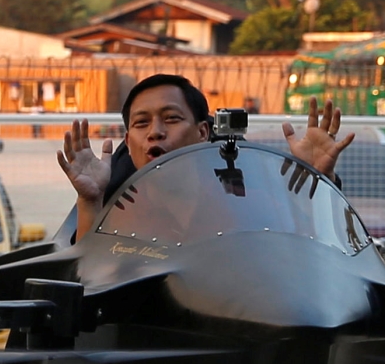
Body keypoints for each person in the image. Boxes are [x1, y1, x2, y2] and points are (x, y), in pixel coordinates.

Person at [57, 73, 354, 240]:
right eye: (141, 123)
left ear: (202, 132)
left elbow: (314, 247)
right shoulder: (118, 209)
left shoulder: (246, 198)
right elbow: (87, 278)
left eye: (171, 119)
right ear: (127, 140)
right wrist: (89, 201)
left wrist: (319, 179)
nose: (155, 132)